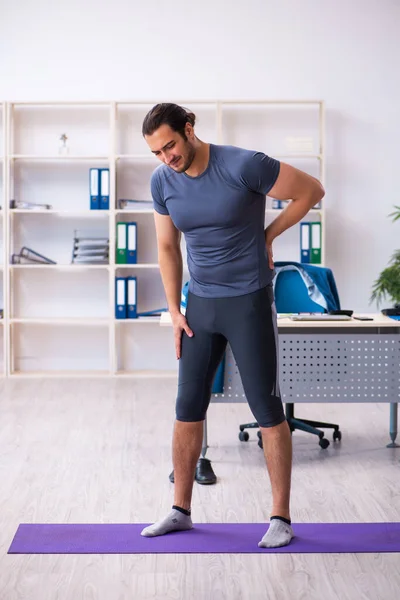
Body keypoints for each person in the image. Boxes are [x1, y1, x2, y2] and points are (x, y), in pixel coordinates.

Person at [140, 103, 325, 548]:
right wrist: (175, 309)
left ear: (189, 130)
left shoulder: (244, 164)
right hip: (200, 304)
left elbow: (311, 191)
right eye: (157, 152)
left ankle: (280, 516)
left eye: (170, 146)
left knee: (266, 406)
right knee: (188, 405)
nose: (167, 158)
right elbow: (168, 247)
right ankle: (180, 510)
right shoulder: (162, 180)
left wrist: (268, 234)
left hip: (248, 301)